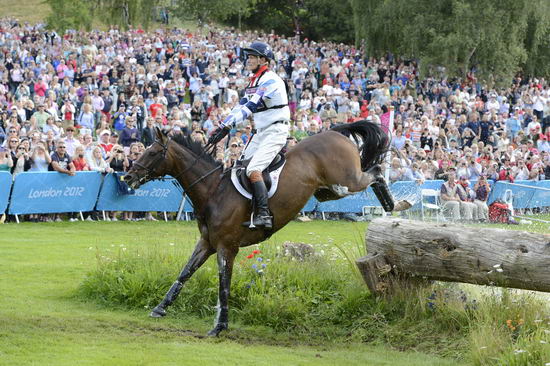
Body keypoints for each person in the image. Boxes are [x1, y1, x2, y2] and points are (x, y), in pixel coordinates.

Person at [208, 41, 290, 229]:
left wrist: (226, 127)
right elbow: (240, 106)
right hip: (260, 132)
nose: (248, 60)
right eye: (249, 56)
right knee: (238, 168)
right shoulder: (253, 82)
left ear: (264, 60)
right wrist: (222, 127)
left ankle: (264, 215)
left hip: (275, 131)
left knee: (253, 170)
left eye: (253, 57)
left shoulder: (271, 79)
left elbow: (251, 106)